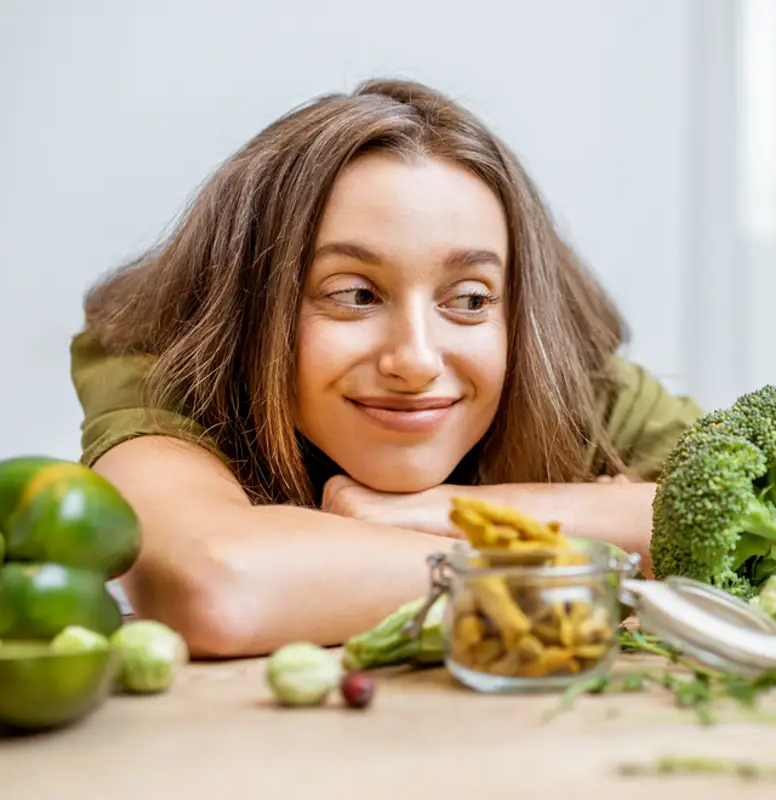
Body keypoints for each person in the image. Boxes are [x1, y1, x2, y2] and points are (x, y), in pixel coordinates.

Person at [70, 78, 703, 658]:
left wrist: (437, 511)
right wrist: (594, 558)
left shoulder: (565, 376)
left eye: (472, 299)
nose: (416, 361)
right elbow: (216, 585)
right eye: (354, 294)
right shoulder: (165, 361)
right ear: (253, 300)